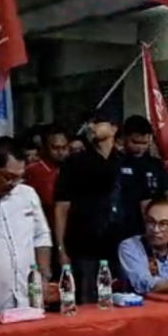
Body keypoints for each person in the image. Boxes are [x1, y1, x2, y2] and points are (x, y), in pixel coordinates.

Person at [54, 113, 133, 303]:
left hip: (122, 249)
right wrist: (60, 249)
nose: (91, 126)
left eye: (97, 122)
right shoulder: (75, 163)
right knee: (86, 305)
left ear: (114, 128)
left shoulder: (126, 162)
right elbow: (61, 208)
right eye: (90, 123)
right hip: (84, 249)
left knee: (123, 304)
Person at [0, 137, 53, 311]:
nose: (13, 184)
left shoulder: (27, 195)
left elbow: (41, 236)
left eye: (19, 178)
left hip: (28, 300)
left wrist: (43, 275)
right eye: (8, 177)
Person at [119, 115, 168, 238]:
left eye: (144, 143)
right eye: (135, 142)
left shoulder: (155, 165)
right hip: (120, 230)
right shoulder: (115, 163)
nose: (140, 148)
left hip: (150, 232)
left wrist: (154, 207)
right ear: (124, 137)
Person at [24, 123, 70, 226]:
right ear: (44, 147)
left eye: (64, 147)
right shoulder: (32, 171)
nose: (61, 152)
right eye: (55, 148)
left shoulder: (74, 168)